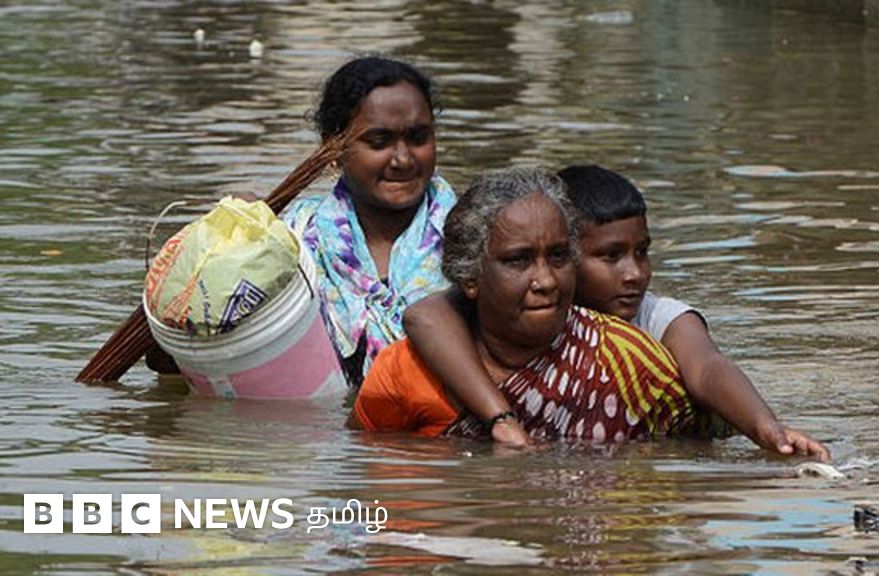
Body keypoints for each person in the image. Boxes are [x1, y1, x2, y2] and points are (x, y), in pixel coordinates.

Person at [403, 165, 830, 461]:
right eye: (610, 257)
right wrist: (501, 418)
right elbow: (426, 314)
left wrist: (766, 429)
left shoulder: (655, 319)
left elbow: (707, 368)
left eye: (642, 253)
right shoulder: (510, 308)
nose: (634, 274)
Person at [351, 167, 732, 441]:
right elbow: (367, 470)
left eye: (559, 256)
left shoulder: (628, 360)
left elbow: (701, 447)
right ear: (470, 278)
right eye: (518, 260)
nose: (546, 281)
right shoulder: (404, 373)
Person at [283, 57, 455, 387]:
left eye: (419, 138)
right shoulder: (296, 240)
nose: (403, 159)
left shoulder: (472, 235)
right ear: (333, 149)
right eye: (379, 142)